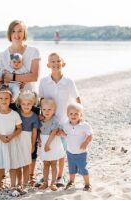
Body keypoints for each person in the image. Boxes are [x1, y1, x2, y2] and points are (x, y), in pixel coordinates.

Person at [38, 52, 81, 187]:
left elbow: (77, 99)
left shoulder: (68, 82)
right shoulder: (44, 82)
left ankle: (60, 176)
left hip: (63, 121)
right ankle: (45, 178)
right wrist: (41, 115)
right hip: (47, 122)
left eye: (58, 61)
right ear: (48, 65)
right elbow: (41, 100)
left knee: (61, 150)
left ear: (63, 63)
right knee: (47, 148)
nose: (55, 64)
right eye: (52, 61)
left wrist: (80, 117)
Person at [0, 87, 23, 197]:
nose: (4, 100)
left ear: (11, 99)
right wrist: (0, 137)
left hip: (11, 142)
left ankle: (13, 186)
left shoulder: (14, 114)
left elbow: (19, 128)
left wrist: (11, 136)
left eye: (6, 98)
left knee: (13, 165)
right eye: (1, 98)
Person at [0, 20, 40, 92]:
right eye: (13, 31)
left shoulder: (34, 51)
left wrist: (12, 77)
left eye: (20, 31)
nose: (16, 34)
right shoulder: (2, 55)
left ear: (24, 33)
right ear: (9, 33)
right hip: (9, 99)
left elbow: (34, 77)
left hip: (29, 98)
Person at [61, 103, 93, 192]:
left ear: (80, 115)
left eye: (76, 113)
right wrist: (62, 134)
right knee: (71, 168)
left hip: (81, 152)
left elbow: (90, 135)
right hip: (70, 151)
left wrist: (86, 142)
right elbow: (64, 133)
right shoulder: (66, 125)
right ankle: (71, 181)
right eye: (71, 114)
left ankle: (87, 184)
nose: (73, 115)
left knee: (83, 168)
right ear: (67, 115)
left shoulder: (84, 125)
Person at [16, 90, 41, 193]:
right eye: (23, 104)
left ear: (33, 103)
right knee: (17, 163)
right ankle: (18, 182)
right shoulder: (17, 114)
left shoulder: (34, 117)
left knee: (26, 163)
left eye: (29, 104)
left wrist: (32, 145)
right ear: (20, 104)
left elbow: (34, 132)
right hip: (17, 140)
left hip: (28, 140)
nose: (26, 106)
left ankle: (25, 184)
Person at [38, 99, 66, 191]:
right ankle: (45, 182)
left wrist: (47, 145)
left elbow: (53, 133)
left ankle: (53, 182)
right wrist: (39, 139)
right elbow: (38, 130)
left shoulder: (55, 119)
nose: (46, 112)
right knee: (45, 163)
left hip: (52, 142)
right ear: (41, 109)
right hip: (43, 141)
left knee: (54, 163)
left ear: (54, 110)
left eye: (49, 109)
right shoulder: (40, 119)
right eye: (44, 109)